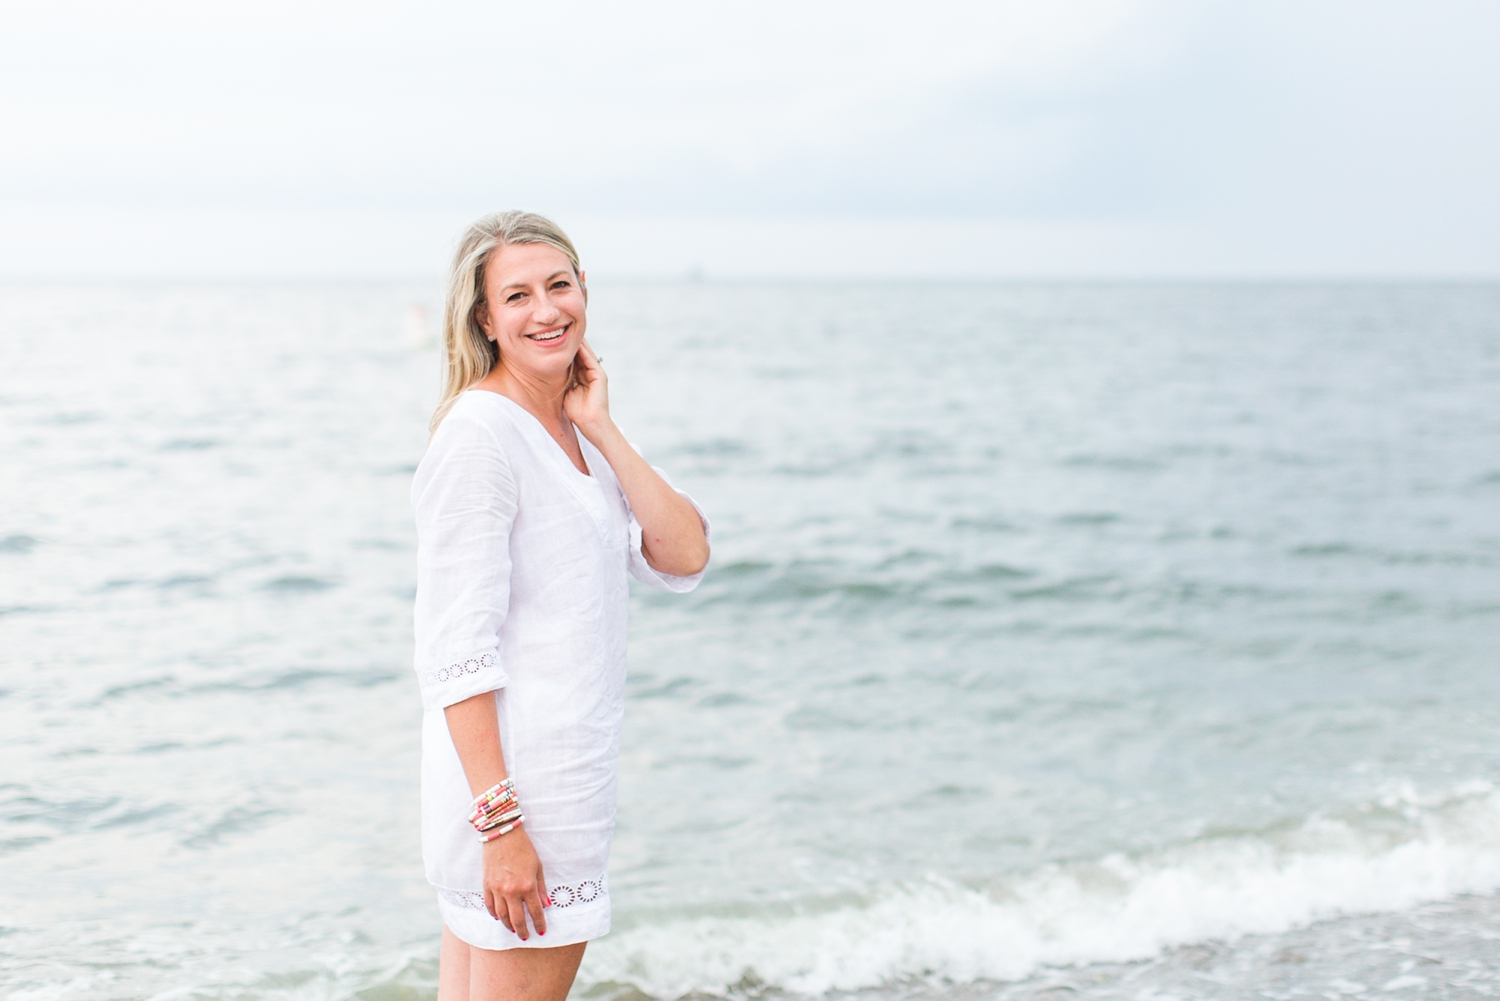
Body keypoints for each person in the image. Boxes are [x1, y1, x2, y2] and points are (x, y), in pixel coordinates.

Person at [411, 211, 710, 1001]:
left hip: (554, 782)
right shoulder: (481, 434)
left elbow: (685, 553)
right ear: (485, 318)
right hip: (520, 799)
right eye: (517, 295)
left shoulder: (571, 426)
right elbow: (454, 649)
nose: (545, 310)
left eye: (559, 285)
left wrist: (601, 426)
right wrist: (503, 827)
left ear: (584, 291)